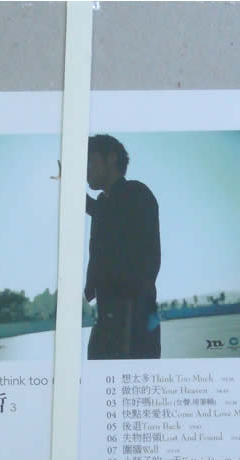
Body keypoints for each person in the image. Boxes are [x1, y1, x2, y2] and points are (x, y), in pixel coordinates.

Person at [85, 134, 161, 359]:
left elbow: (110, 212)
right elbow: (104, 212)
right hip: (110, 315)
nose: (85, 169)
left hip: (135, 314)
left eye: (90, 160)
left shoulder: (135, 193)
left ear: (111, 159)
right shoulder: (106, 203)